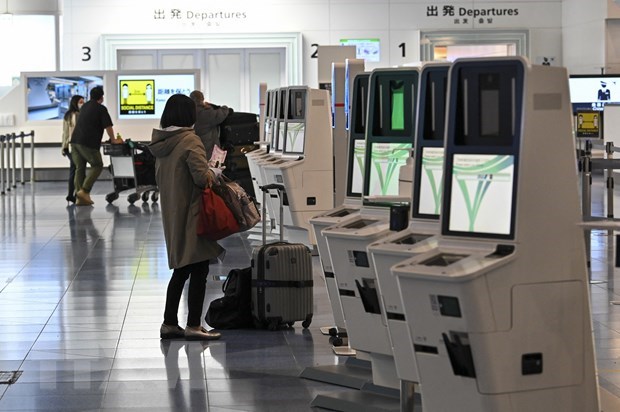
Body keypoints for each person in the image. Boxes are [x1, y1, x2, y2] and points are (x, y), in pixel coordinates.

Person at [149, 93, 223, 341]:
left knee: (181, 269)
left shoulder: (162, 142)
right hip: (193, 214)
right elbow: (202, 179)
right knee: (200, 268)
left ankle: (170, 323)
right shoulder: (190, 141)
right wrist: (214, 170)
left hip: (173, 213)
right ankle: (193, 325)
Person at [70, 86, 115, 206]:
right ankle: (84, 191)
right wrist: (113, 140)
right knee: (97, 165)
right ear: (101, 97)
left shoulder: (85, 106)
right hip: (87, 142)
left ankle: (80, 198)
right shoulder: (101, 109)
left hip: (74, 141)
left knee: (80, 167)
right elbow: (108, 126)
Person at [189, 90, 231, 160]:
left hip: (194, 147)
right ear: (202, 99)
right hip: (207, 149)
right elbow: (220, 114)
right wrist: (225, 108)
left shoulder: (189, 112)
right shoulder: (205, 113)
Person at [61, 94, 84, 204]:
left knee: (74, 169)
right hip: (72, 147)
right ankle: (74, 194)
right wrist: (64, 147)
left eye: (83, 102)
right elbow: (65, 132)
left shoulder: (71, 114)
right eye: (80, 102)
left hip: (73, 146)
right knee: (76, 169)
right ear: (75, 103)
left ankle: (72, 194)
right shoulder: (72, 115)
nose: (82, 104)